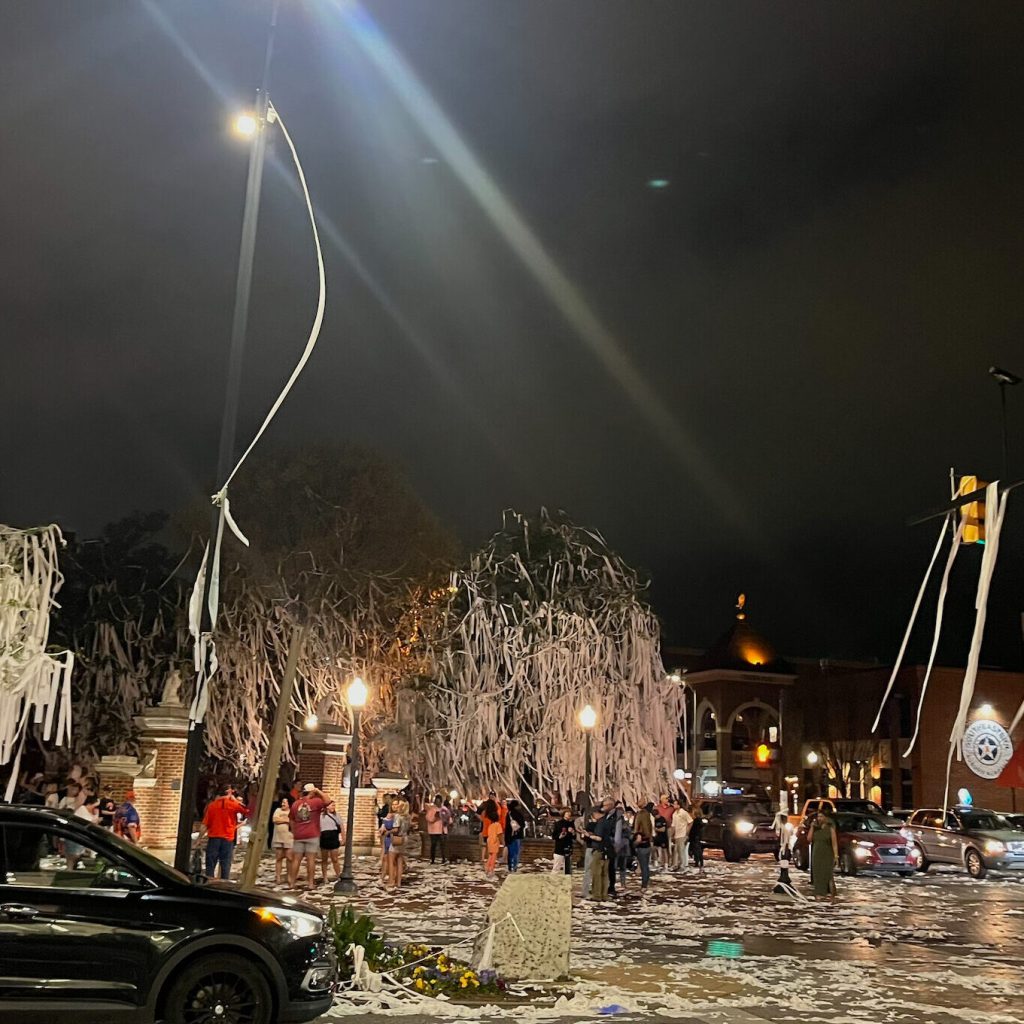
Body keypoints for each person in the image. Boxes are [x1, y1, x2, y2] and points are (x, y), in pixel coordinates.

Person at [195, 783, 248, 881]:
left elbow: (205, 825)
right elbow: (246, 810)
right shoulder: (233, 804)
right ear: (229, 792)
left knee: (210, 866)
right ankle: (224, 886)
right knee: (225, 865)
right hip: (227, 839)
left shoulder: (212, 805)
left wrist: (199, 839)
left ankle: (209, 884)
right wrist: (235, 800)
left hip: (214, 838)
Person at [288, 784, 328, 890]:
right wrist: (318, 791)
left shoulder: (296, 804)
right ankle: (310, 883)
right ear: (312, 792)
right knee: (311, 860)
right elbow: (328, 801)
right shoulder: (316, 802)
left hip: (299, 835)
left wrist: (294, 831)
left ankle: (292, 883)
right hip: (312, 834)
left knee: (296, 860)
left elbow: (291, 819)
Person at [808, 810, 839, 899]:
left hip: (827, 854)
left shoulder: (830, 828)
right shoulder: (816, 828)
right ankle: (819, 893)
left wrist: (836, 856)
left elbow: (834, 843)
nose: (819, 818)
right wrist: (812, 827)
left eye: (821, 816)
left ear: (826, 818)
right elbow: (809, 839)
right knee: (817, 874)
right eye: (818, 817)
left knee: (827, 874)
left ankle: (830, 893)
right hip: (816, 853)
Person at [66, 795, 101, 870]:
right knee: (73, 856)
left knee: (76, 856)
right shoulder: (82, 809)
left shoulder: (90, 812)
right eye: (95, 806)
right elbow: (89, 823)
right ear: (89, 804)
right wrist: (96, 816)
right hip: (75, 835)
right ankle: (69, 870)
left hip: (81, 837)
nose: (96, 808)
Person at [319, 800, 343, 884]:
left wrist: (343, 838)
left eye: (334, 806)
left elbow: (342, 827)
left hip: (333, 836)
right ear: (327, 806)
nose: (333, 807)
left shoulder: (336, 815)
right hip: (324, 837)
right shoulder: (321, 816)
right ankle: (324, 877)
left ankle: (338, 875)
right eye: (332, 805)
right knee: (324, 859)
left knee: (335, 858)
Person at [389, 799, 411, 888]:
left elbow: (396, 829)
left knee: (391, 861)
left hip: (397, 838)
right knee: (399, 861)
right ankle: (398, 882)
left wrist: (388, 831)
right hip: (404, 839)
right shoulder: (408, 817)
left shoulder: (398, 816)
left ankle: (391, 881)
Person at [612, 802, 633, 893]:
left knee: (623, 866)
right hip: (616, 846)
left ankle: (623, 883)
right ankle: (612, 883)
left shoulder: (625, 822)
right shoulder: (613, 822)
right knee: (614, 866)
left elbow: (629, 833)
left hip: (624, 846)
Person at [633, 803, 655, 889]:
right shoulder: (648, 825)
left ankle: (644, 884)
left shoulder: (639, 830)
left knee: (643, 866)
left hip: (641, 847)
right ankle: (646, 881)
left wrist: (633, 844)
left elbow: (638, 841)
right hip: (647, 845)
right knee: (646, 865)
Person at [272, 798, 293, 884]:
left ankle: (289, 876)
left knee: (289, 858)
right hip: (278, 837)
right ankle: (278, 877)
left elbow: (292, 821)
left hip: (289, 838)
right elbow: (275, 820)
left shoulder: (292, 812)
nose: (283, 804)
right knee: (279, 858)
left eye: (285, 802)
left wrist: (282, 819)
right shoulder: (277, 810)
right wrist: (285, 820)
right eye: (282, 802)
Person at [424, 795, 448, 865]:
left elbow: (449, 818)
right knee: (433, 845)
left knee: (443, 845)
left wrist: (446, 820)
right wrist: (435, 817)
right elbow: (428, 818)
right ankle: (432, 859)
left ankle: (443, 858)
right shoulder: (431, 809)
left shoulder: (444, 809)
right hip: (433, 831)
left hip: (442, 830)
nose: (438, 803)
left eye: (439, 801)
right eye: (436, 801)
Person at [505, 799, 527, 872]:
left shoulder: (508, 814)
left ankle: (509, 867)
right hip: (517, 835)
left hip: (509, 836)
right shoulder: (519, 814)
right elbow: (523, 825)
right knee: (516, 852)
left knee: (510, 852)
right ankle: (514, 867)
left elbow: (507, 826)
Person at [551, 808, 575, 874]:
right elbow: (553, 836)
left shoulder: (571, 824)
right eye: (567, 813)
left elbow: (574, 837)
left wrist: (573, 832)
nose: (569, 815)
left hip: (568, 847)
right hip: (559, 848)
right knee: (556, 867)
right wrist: (560, 836)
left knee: (567, 869)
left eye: (570, 814)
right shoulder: (558, 823)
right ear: (563, 814)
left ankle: (566, 881)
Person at [671, 800, 693, 870]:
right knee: (676, 850)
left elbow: (690, 822)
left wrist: (687, 833)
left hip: (682, 833)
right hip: (677, 834)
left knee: (681, 850)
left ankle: (682, 865)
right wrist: (672, 834)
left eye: (675, 804)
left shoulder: (683, 813)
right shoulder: (674, 814)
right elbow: (673, 825)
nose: (674, 805)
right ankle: (675, 864)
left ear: (679, 805)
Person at [688, 803, 706, 874]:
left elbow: (693, 830)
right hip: (697, 836)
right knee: (698, 849)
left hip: (695, 836)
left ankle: (698, 862)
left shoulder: (696, 821)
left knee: (696, 849)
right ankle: (700, 862)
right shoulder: (699, 821)